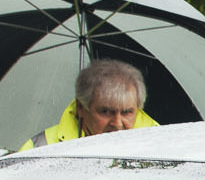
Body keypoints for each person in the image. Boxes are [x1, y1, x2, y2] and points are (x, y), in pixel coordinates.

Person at [20, 58, 158, 149]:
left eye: (126, 112)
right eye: (105, 112)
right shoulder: (40, 148)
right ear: (81, 108)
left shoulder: (159, 145)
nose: (117, 123)